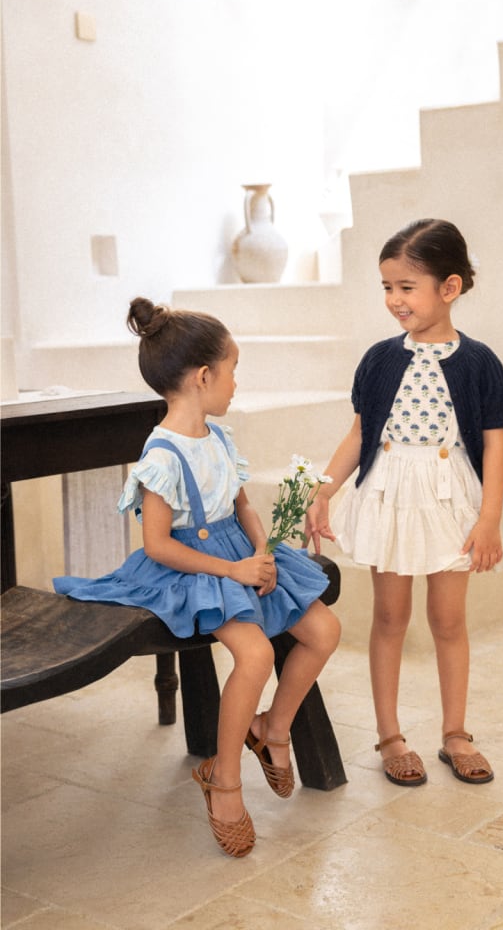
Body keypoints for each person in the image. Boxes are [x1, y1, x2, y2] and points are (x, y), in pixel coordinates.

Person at [54, 297, 341, 858]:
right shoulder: (161, 455)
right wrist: (232, 568)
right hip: (190, 569)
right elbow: (158, 544)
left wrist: (261, 552)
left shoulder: (219, 438)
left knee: (324, 631)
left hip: (239, 555)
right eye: (233, 371)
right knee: (256, 655)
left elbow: (242, 506)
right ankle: (224, 778)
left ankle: (272, 729)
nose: (236, 383)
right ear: (204, 376)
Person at [305, 219, 503, 788]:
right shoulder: (379, 359)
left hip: (450, 498)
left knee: (448, 620)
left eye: (407, 286)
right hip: (389, 494)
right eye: (387, 287)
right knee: (389, 617)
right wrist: (325, 488)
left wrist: (489, 519)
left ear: (449, 288)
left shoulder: (479, 363)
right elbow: (360, 433)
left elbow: (495, 446)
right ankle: (390, 736)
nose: (394, 299)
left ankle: (456, 734)